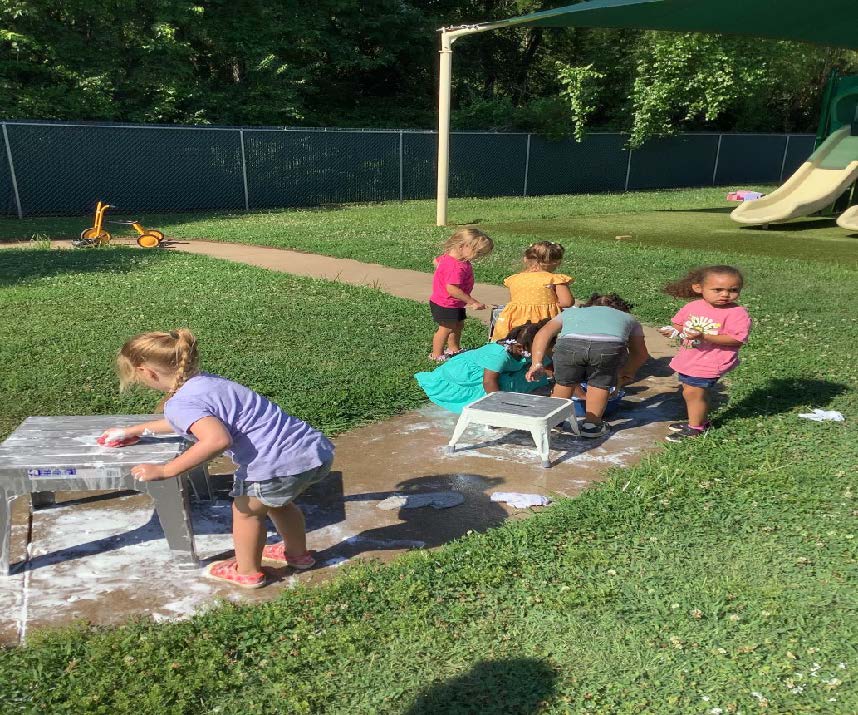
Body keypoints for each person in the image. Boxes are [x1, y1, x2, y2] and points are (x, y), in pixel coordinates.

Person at [100, 329, 334, 589]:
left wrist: (167, 470)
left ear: (147, 372)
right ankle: (297, 555)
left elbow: (216, 440)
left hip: (274, 464)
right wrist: (134, 430)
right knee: (279, 502)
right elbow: (192, 420)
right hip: (311, 451)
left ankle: (248, 572)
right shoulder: (207, 382)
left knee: (246, 513)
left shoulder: (181, 403)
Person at [526, 294, 649, 438]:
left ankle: (553, 424)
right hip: (608, 347)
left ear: (589, 305)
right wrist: (625, 373)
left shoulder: (571, 312)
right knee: (599, 384)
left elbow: (544, 333)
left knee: (564, 383)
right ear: (621, 309)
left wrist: (537, 362)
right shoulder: (629, 319)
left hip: (570, 345)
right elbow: (640, 354)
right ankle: (592, 426)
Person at [659, 265, 751, 442]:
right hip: (690, 357)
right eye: (718, 290)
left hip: (711, 361)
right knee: (690, 390)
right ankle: (698, 421)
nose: (725, 294)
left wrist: (704, 335)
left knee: (694, 393)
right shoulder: (693, 306)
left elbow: (736, 340)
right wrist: (675, 331)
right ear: (698, 288)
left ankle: (696, 428)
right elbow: (679, 324)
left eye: (733, 290)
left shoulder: (737, 313)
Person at [415, 320, 553, 414]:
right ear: (519, 347)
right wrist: (500, 406)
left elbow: (549, 365)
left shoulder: (525, 350)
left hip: (493, 372)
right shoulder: (500, 354)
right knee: (504, 385)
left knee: (532, 377)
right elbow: (489, 381)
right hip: (465, 374)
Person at [429, 227, 494, 362]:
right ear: (462, 246)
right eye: (477, 252)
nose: (478, 256)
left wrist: (441, 272)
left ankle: (454, 349)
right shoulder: (456, 266)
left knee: (458, 325)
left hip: (453, 303)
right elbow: (452, 289)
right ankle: (436, 355)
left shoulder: (451, 258)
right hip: (446, 303)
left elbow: (436, 261)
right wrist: (472, 302)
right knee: (445, 329)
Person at [491, 241, 574, 341]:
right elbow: (567, 302)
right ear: (556, 262)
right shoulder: (554, 279)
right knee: (543, 343)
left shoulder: (514, 279)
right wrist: (548, 305)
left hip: (516, 319)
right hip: (544, 320)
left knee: (517, 342)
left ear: (526, 259)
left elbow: (518, 300)